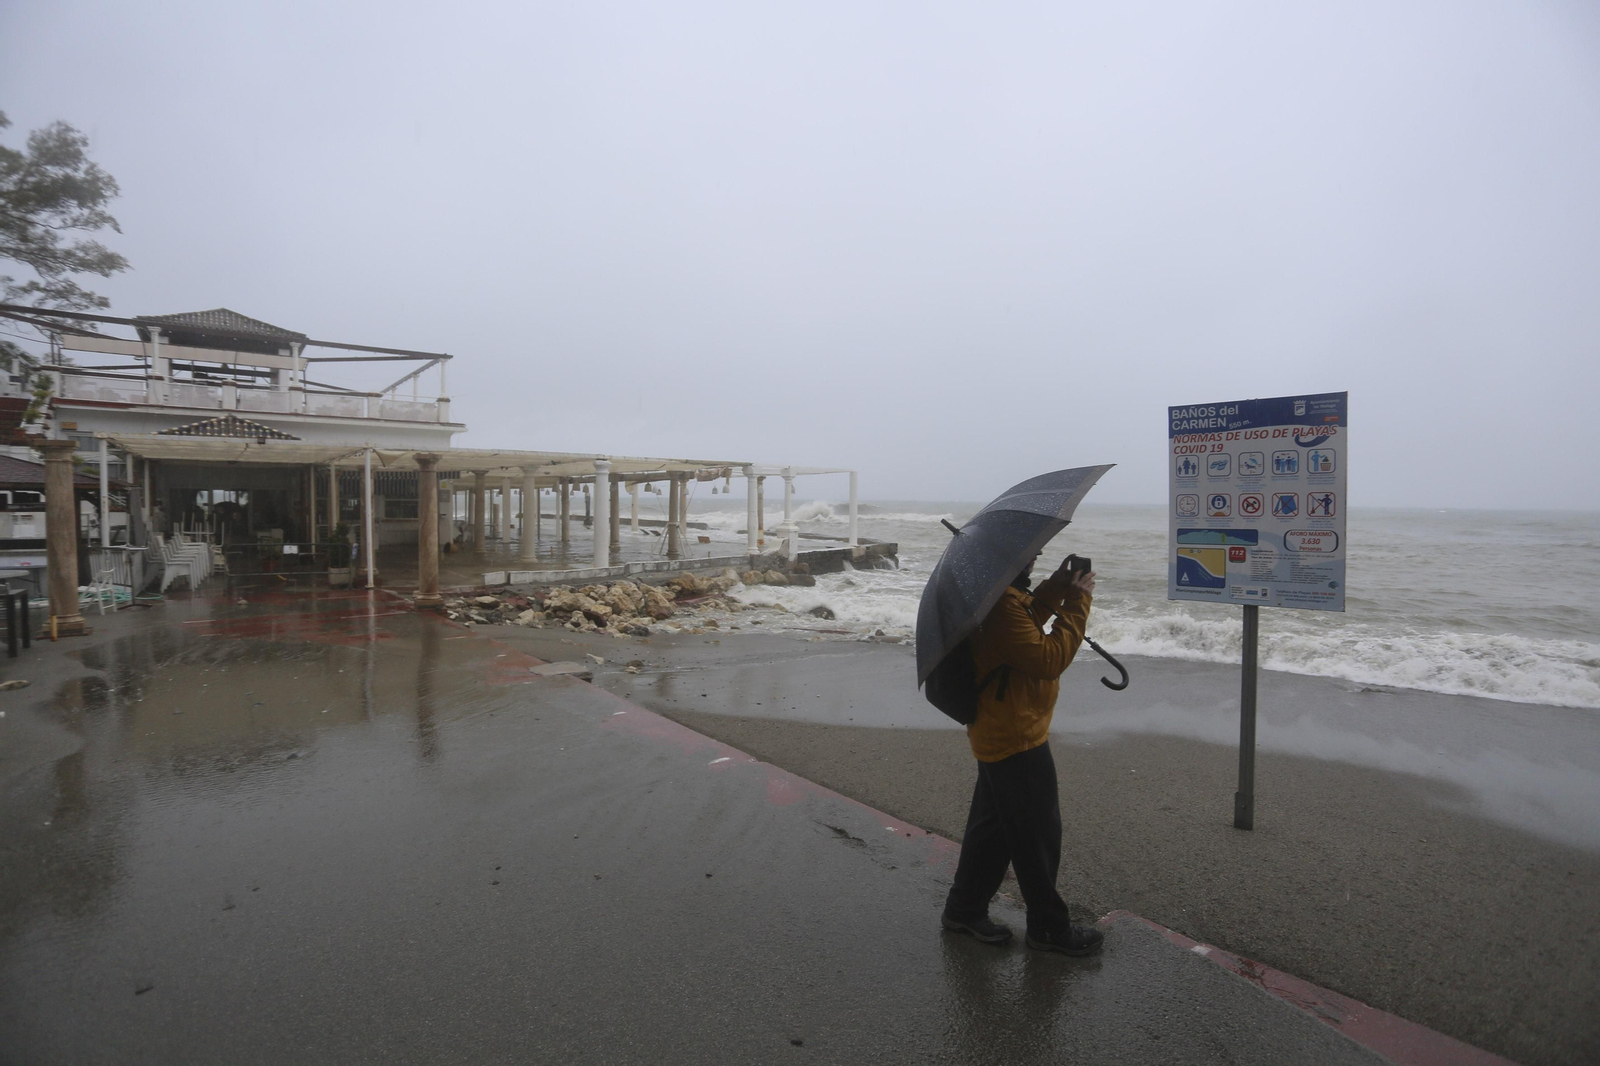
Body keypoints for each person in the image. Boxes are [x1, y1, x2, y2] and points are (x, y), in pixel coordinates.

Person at [940, 553, 1104, 956]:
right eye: (1029, 554)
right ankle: (1048, 928)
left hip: (1000, 728)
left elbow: (1024, 619)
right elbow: (1048, 659)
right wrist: (1077, 603)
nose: (1035, 555)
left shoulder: (996, 595)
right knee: (1037, 837)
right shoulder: (998, 606)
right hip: (1016, 736)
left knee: (992, 831)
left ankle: (963, 909)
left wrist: (1057, 586)